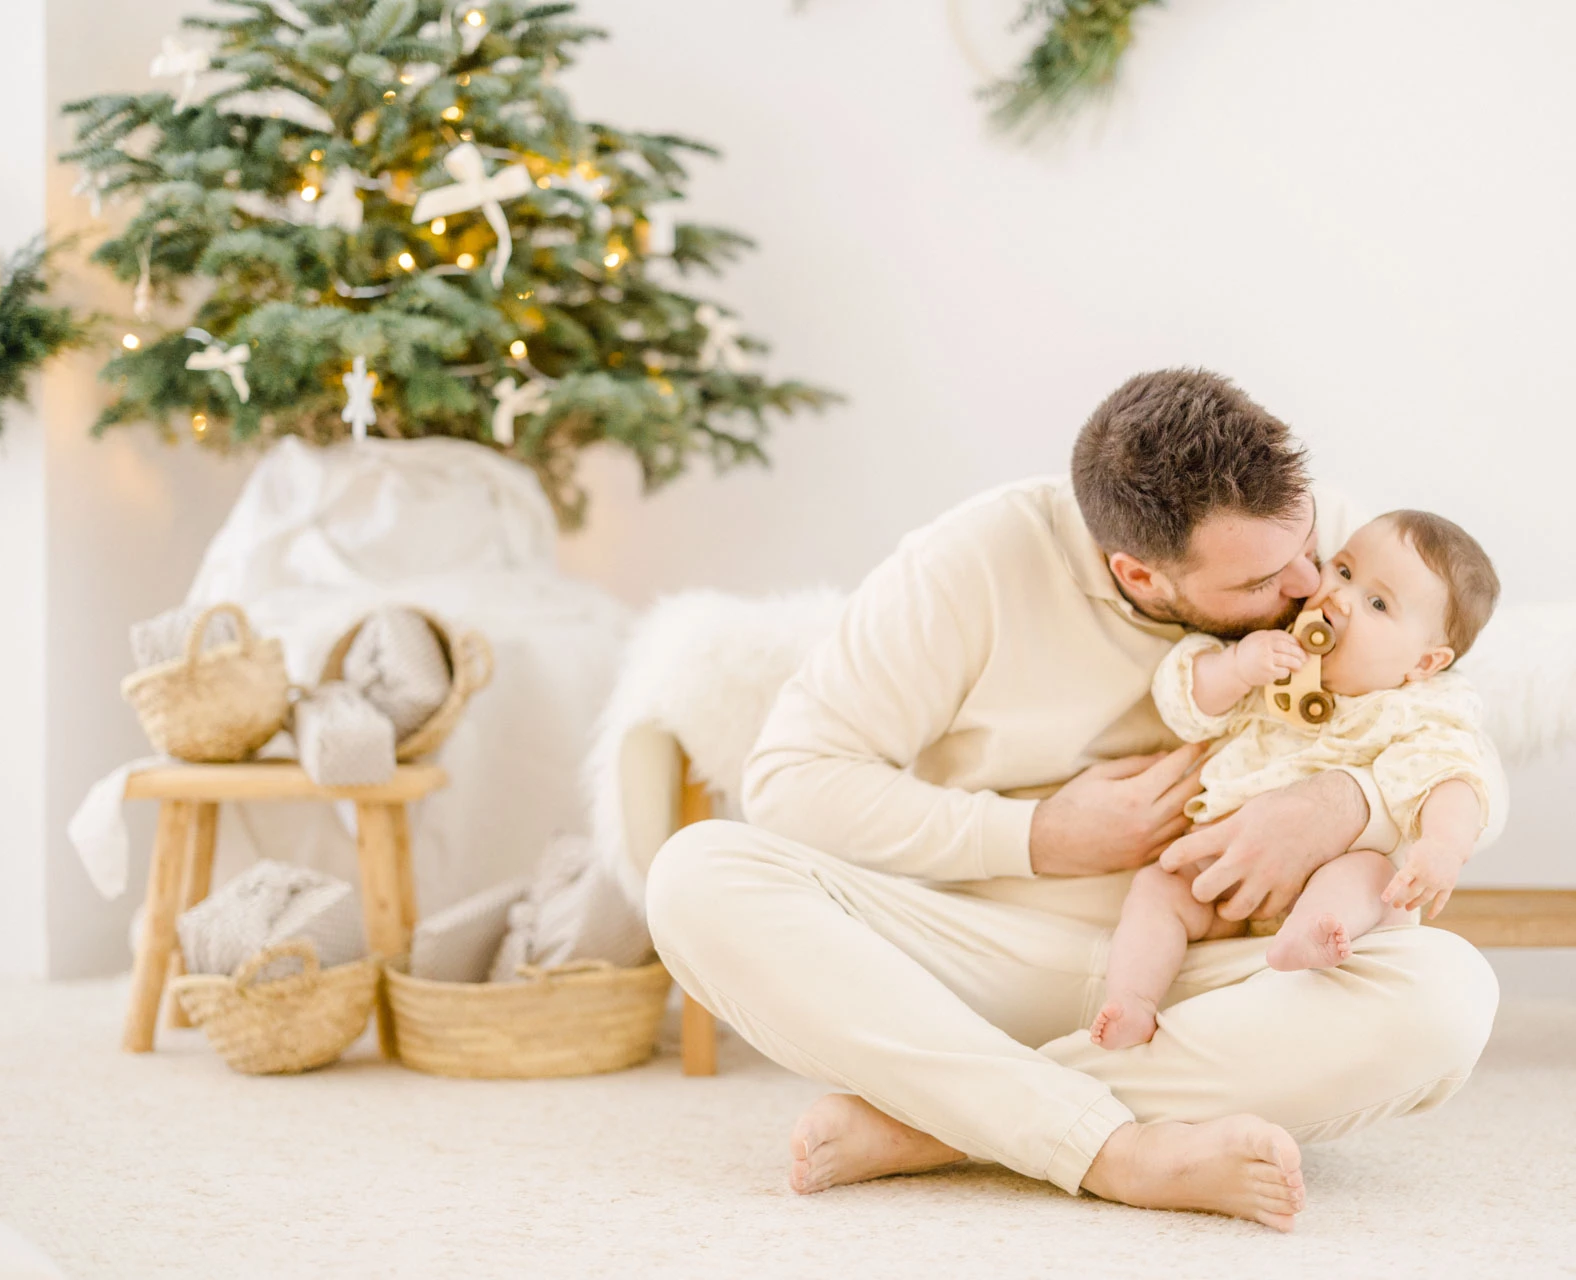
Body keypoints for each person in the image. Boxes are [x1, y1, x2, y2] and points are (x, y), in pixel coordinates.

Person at [643, 369, 1506, 1232]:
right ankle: (1113, 1152)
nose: (1307, 590)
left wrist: (1341, 803)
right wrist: (1037, 837)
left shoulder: (1315, 546)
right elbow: (793, 780)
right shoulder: (969, 566)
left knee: (1448, 992)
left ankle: (943, 1121)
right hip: (984, 957)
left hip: (1210, 979)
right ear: (1139, 574)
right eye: (1257, 586)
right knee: (696, 874)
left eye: (1313, 548)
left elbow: (1456, 741)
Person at [1090, 510, 1500, 1051]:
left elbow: (1452, 776)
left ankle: (1310, 933)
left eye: (1378, 604)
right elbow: (1185, 702)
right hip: (1218, 873)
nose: (1339, 598)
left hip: (1321, 875)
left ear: (1425, 661)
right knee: (1155, 889)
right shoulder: (1273, 653)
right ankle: (1132, 1001)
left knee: (1373, 874)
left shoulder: (1410, 712)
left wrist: (1445, 845)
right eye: (1344, 571)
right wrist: (1236, 667)